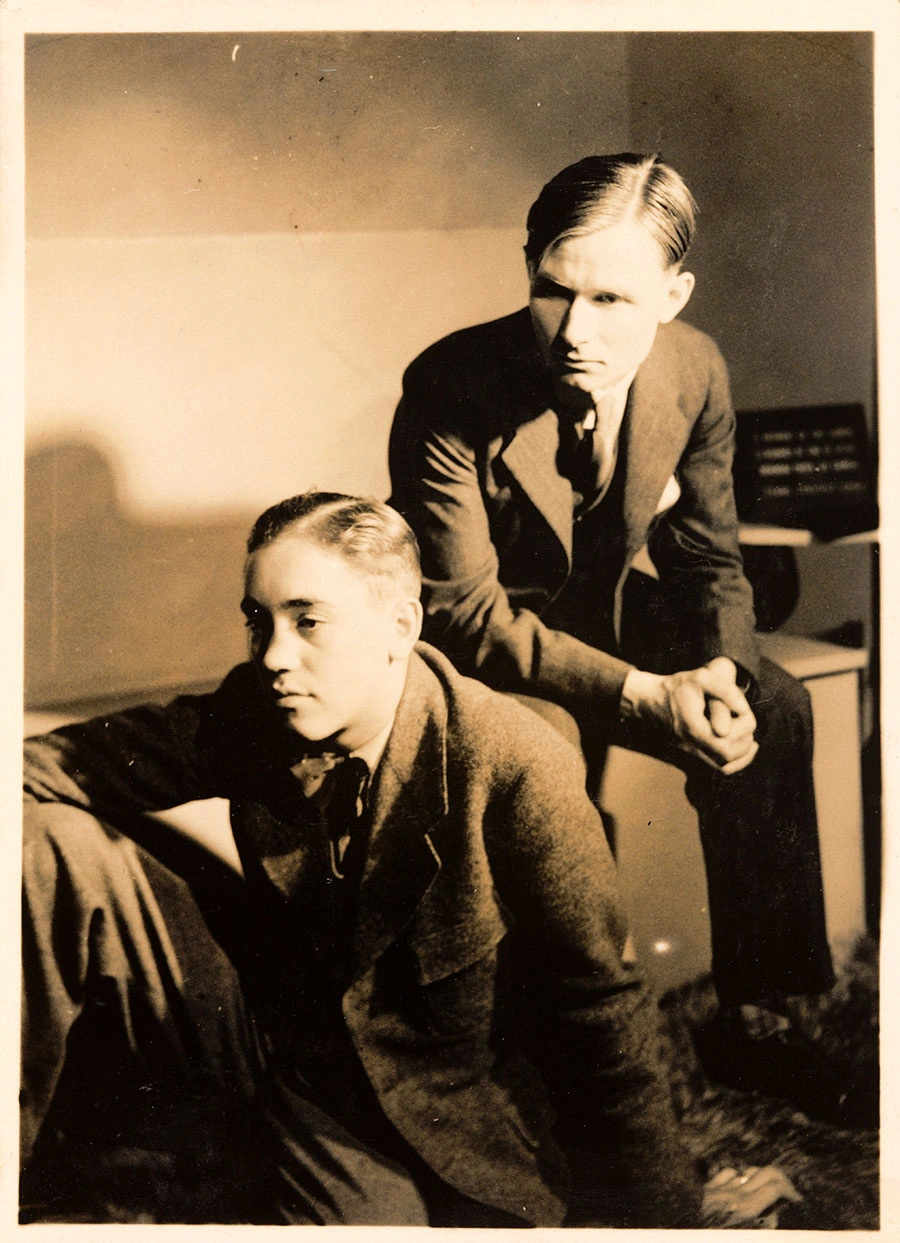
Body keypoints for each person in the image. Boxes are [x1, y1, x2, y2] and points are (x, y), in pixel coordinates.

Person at [22, 491, 708, 1227]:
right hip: (270, 1032)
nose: (274, 655)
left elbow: (602, 1011)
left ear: (400, 626)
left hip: (419, 1110)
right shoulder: (262, 706)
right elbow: (72, 763)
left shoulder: (514, 762)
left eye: (307, 620)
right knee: (34, 844)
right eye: (260, 621)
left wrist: (665, 1220)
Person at [387, 153, 842, 1116]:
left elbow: (715, 562)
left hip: (621, 613)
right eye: (556, 291)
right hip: (501, 642)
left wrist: (718, 667)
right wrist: (642, 696)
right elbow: (467, 614)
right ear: (530, 270)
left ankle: (757, 1020)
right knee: (543, 754)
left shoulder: (697, 368)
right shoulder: (447, 384)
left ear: (674, 293)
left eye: (614, 299)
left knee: (775, 704)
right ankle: (571, 1046)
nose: (578, 331)